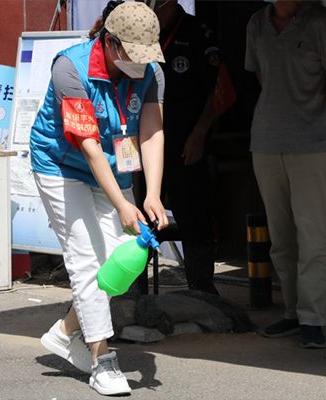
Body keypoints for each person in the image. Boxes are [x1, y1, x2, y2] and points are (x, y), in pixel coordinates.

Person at [29, 1, 169, 395]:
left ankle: (64, 332)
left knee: (119, 263)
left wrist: (152, 194)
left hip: (115, 165)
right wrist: (123, 204)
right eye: (133, 55)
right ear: (110, 42)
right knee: (86, 261)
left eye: (146, 56)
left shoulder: (152, 72)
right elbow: (88, 144)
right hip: (61, 166)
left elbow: (152, 131)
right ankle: (101, 360)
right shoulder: (69, 68)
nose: (141, 64)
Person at [245, 0, 326, 348]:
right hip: (266, 140)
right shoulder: (256, 23)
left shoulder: (322, 22)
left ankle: (313, 318)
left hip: (313, 143)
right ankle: (292, 311)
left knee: (312, 232)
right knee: (281, 235)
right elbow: (262, 75)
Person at [139, 0, 220, 294]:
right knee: (141, 218)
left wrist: (200, 133)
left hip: (186, 144)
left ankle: (202, 290)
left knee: (195, 215)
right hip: (145, 144)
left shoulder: (197, 32)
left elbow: (218, 91)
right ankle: (136, 291)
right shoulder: (140, 31)